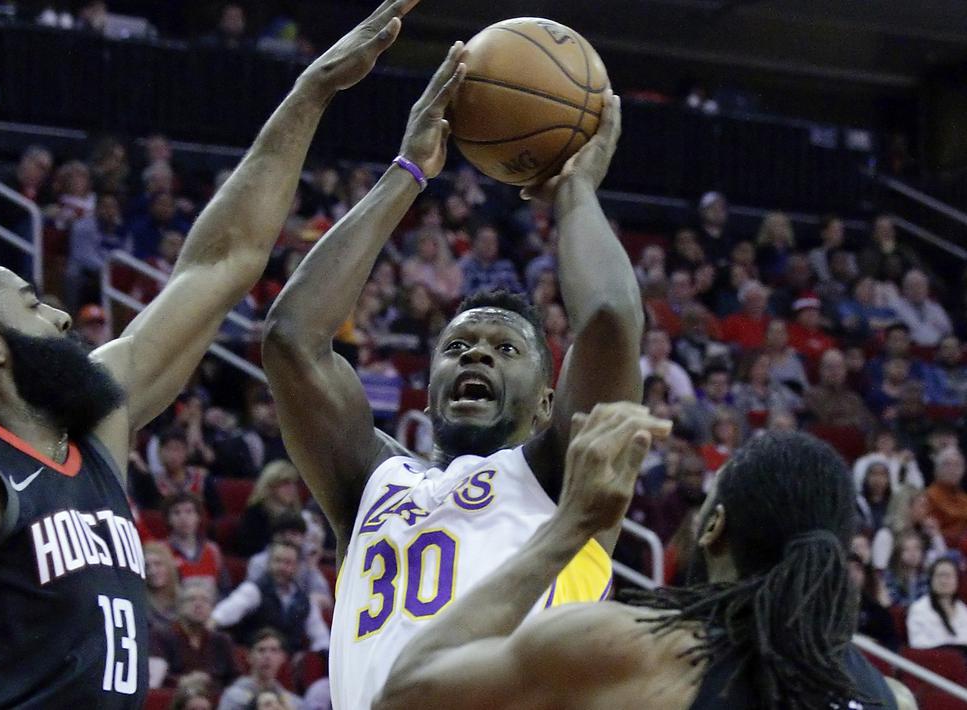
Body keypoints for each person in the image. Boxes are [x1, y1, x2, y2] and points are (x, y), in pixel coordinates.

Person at [0, 3, 416, 705]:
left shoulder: (96, 420)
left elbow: (222, 262)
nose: (60, 314)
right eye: (32, 304)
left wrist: (311, 93)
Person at [263, 48, 644, 707]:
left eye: (505, 348)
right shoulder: (372, 480)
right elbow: (291, 339)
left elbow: (609, 320)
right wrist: (407, 171)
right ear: (429, 385)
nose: (476, 356)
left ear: (547, 402)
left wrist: (576, 194)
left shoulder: (560, 476)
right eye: (459, 346)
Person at [373, 420, 909, 710]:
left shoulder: (637, 652)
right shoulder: (894, 698)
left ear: (714, 527)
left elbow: (406, 694)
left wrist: (569, 526)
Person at [211, 540, 330, 652]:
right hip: (255, 658)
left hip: (287, 662)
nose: (281, 567)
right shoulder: (253, 590)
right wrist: (211, 624)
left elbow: (321, 637)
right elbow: (223, 614)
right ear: (269, 562)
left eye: (287, 562)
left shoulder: (305, 601)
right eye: (277, 561)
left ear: (297, 567)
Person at [152, 580, 238, 690]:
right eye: (191, 599)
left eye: (205, 600)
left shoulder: (221, 640)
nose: (198, 605)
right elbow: (155, 679)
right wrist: (184, 682)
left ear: (212, 608)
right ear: (179, 606)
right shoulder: (161, 636)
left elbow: (235, 678)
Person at [215, 629, 302, 710]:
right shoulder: (233, 697)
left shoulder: (294, 703)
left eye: (274, 650)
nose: (267, 656)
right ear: (249, 657)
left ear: (283, 657)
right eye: (261, 650)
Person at [236, 460, 303, 556]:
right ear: (270, 486)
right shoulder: (255, 513)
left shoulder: (296, 514)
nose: (292, 489)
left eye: (294, 483)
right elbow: (250, 549)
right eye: (285, 483)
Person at [906, 557, 967, 650]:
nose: (943, 581)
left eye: (948, 576)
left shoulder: (963, 609)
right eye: (939, 576)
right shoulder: (919, 609)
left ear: (957, 580)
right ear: (931, 580)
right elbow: (918, 644)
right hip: (934, 656)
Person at [889, 269, 953, 348]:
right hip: (910, 349)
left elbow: (948, 331)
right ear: (904, 289)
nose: (916, 290)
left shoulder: (936, 308)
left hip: (937, 349)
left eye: (920, 286)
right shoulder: (895, 307)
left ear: (927, 289)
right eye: (912, 286)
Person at [143, 540, 183, 631]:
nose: (152, 571)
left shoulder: (184, 599)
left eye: (158, 564)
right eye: (147, 566)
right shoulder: (141, 603)